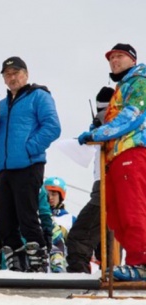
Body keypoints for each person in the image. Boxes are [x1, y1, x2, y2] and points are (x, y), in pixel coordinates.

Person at [0, 56, 61, 273]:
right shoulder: (1, 105)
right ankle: (16, 267)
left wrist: (29, 148)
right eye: (7, 75)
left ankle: (39, 265)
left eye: (16, 73)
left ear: (25, 74)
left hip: (28, 166)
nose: (12, 77)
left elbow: (53, 127)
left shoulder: (39, 96)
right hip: (5, 169)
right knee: (4, 222)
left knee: (27, 216)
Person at [77, 43, 146, 281]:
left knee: (132, 209)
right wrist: (97, 127)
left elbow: (132, 116)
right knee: (117, 215)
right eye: (111, 58)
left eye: (120, 56)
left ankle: (142, 262)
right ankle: (135, 263)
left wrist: (100, 133)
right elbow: (114, 118)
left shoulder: (140, 81)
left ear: (132, 60)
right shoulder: (121, 87)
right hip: (116, 155)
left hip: (132, 151)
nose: (114, 61)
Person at [67, 87, 114, 274]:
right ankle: (110, 272)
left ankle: (79, 278)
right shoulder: (103, 130)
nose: (101, 114)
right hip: (106, 180)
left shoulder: (117, 126)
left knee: (80, 236)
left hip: (107, 181)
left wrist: (97, 130)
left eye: (104, 110)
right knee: (106, 236)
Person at [44, 177, 76, 273]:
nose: (50, 198)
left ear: (60, 196)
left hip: (62, 266)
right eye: (47, 194)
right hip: (42, 265)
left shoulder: (70, 219)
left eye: (54, 194)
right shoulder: (38, 216)